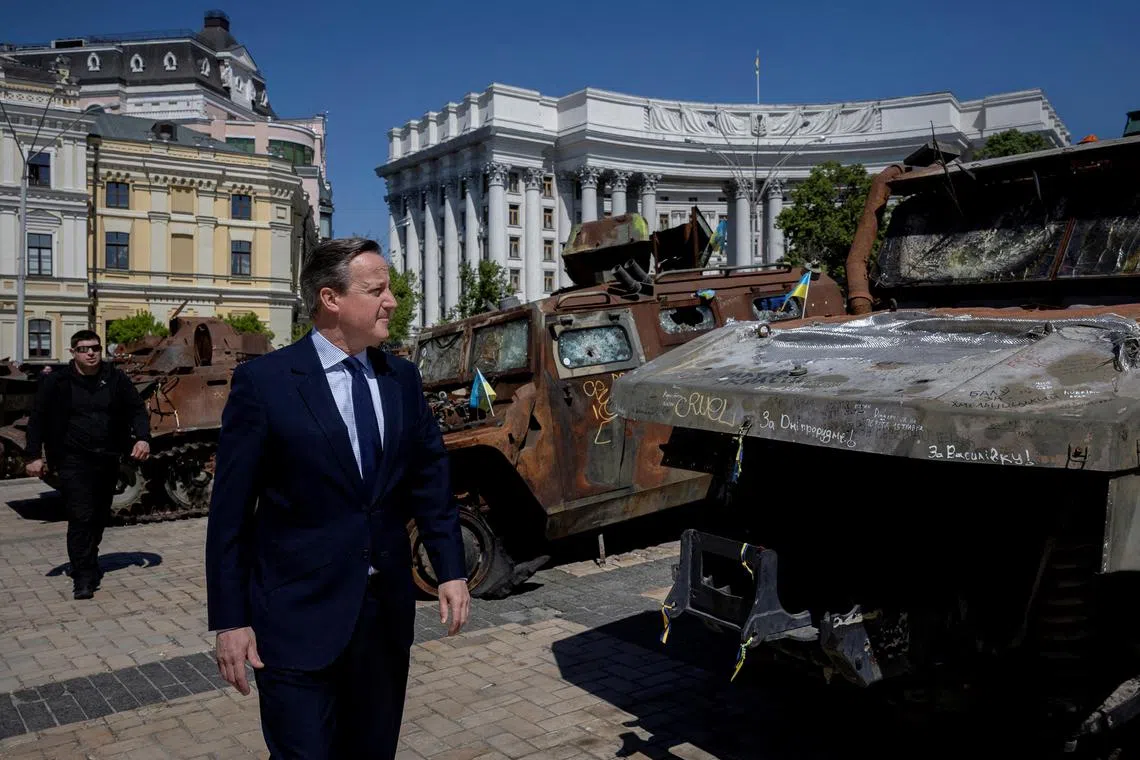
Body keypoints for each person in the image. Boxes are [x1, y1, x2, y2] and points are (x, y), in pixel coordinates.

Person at [205, 237, 470, 759]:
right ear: (331, 299)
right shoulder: (266, 383)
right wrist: (230, 621)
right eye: (377, 290)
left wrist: (451, 568)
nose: (392, 300)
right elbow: (230, 515)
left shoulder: (402, 378)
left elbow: (430, 481)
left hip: (382, 621)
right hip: (295, 623)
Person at [24, 329, 151, 600]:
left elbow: (136, 409)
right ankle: (83, 576)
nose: (90, 353)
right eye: (83, 349)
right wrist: (33, 455)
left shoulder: (115, 378)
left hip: (107, 458)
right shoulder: (56, 382)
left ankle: (88, 558)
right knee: (81, 515)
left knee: (99, 515)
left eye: (94, 347)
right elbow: (37, 418)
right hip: (72, 459)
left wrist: (142, 438)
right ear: (73, 353)